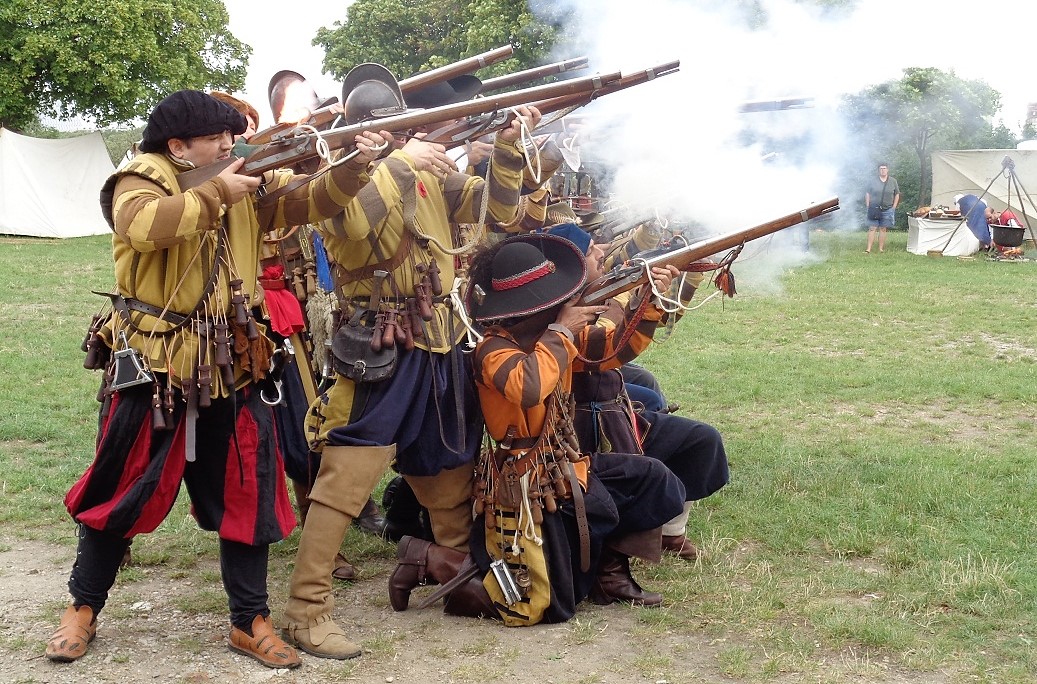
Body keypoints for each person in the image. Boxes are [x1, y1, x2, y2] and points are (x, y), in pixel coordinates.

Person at [45, 90, 389, 670]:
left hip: (235, 359)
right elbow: (144, 226)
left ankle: (249, 620)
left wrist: (357, 164)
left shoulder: (239, 178)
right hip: (157, 364)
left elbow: (306, 202)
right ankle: (82, 607)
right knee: (122, 484)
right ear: (178, 147)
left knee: (248, 488)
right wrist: (215, 193)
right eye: (218, 140)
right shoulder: (142, 176)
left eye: (233, 139)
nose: (232, 147)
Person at [279, 60, 542, 659]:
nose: (400, 137)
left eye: (400, 130)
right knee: (346, 479)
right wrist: (399, 161)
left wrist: (505, 151)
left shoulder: (422, 172)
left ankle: (453, 573)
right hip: (381, 340)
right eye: (387, 131)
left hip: (441, 336)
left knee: (446, 467)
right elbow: (354, 226)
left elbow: (498, 214)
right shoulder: (338, 179)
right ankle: (306, 608)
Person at [384, 234, 685, 626]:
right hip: (523, 486)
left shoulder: (545, 339)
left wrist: (648, 301)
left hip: (563, 466)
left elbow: (609, 353)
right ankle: (430, 558)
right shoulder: (492, 349)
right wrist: (560, 332)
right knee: (548, 606)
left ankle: (608, 577)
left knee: (653, 480)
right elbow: (528, 388)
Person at [547, 223, 729, 561]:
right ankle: (619, 553)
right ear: (571, 263)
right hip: (585, 431)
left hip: (617, 415)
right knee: (651, 465)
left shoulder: (594, 292)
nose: (601, 251)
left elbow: (655, 324)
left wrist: (649, 293)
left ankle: (671, 531)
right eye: (590, 251)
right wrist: (638, 300)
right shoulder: (558, 314)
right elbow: (610, 348)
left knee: (702, 441)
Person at [865, 163, 900, 253]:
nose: (883, 170)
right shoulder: (873, 181)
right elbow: (868, 193)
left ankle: (881, 249)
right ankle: (868, 249)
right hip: (874, 207)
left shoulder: (893, 181)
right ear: (878, 170)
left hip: (887, 208)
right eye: (881, 168)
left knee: (883, 228)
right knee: (872, 228)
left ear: (887, 170)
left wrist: (894, 206)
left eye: (884, 168)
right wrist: (868, 205)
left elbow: (897, 194)